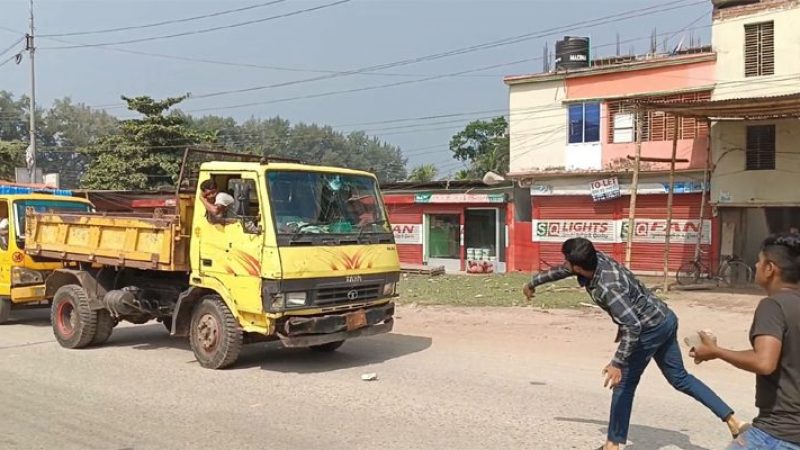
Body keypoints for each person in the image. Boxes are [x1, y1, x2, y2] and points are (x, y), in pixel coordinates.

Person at [524, 237, 745, 450]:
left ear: (579, 267)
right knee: (680, 378)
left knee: (623, 384)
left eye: (568, 261)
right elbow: (565, 269)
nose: (565, 265)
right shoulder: (596, 259)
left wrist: (617, 363)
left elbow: (633, 327)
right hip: (664, 317)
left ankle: (612, 445)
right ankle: (733, 420)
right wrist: (533, 283)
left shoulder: (608, 287)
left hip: (648, 329)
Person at [691, 234, 800, 449]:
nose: (756, 266)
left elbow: (764, 362)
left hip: (776, 434)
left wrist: (716, 351)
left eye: (759, 261)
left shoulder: (773, 306)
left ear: (770, 268)